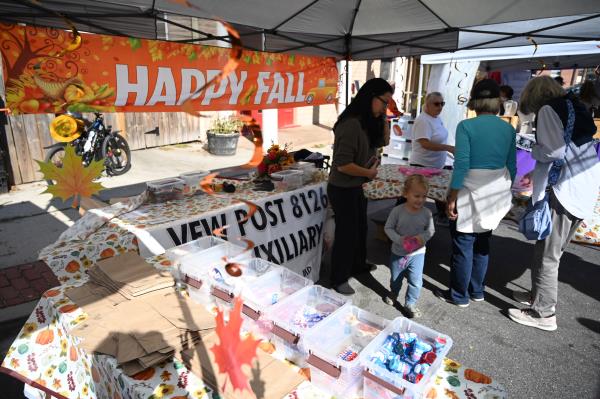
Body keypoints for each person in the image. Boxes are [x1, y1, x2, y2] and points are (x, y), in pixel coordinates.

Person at [508, 76, 600, 331]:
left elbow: (552, 152)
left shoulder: (549, 109)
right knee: (552, 251)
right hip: (583, 188)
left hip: (564, 191)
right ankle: (538, 296)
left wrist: (534, 152)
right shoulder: (573, 106)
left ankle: (543, 313)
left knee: (548, 255)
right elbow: (566, 150)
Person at [435, 79, 516, 307]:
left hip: (469, 191)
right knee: (482, 243)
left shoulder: (466, 126)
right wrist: (503, 190)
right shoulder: (508, 128)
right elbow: (512, 165)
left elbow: (461, 164)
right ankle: (477, 290)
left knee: (463, 244)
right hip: (495, 192)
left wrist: (451, 197)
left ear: (475, 101)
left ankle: (459, 295)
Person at [328, 78, 393, 295]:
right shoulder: (350, 124)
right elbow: (342, 164)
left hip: (358, 186)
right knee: (346, 234)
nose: (386, 107)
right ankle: (338, 278)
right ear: (370, 97)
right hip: (342, 188)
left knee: (360, 229)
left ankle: (358, 265)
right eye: (384, 102)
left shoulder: (368, 121)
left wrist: (385, 119)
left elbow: (384, 142)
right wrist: (368, 173)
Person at [383, 175, 435, 318]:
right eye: (416, 196)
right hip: (398, 252)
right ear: (406, 193)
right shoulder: (397, 211)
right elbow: (388, 228)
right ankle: (394, 293)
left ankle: (410, 303)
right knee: (395, 278)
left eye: (424, 196)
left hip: (417, 254)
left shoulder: (427, 213)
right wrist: (399, 239)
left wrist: (422, 238)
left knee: (416, 281)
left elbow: (430, 230)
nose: (421, 200)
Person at [409, 92, 454, 224]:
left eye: (442, 103)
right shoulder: (423, 120)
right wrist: (448, 148)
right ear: (427, 105)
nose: (440, 106)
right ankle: (400, 221)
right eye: (436, 104)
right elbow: (425, 143)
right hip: (422, 165)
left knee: (438, 191)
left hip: (434, 165)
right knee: (415, 195)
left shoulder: (436, 118)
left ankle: (442, 216)